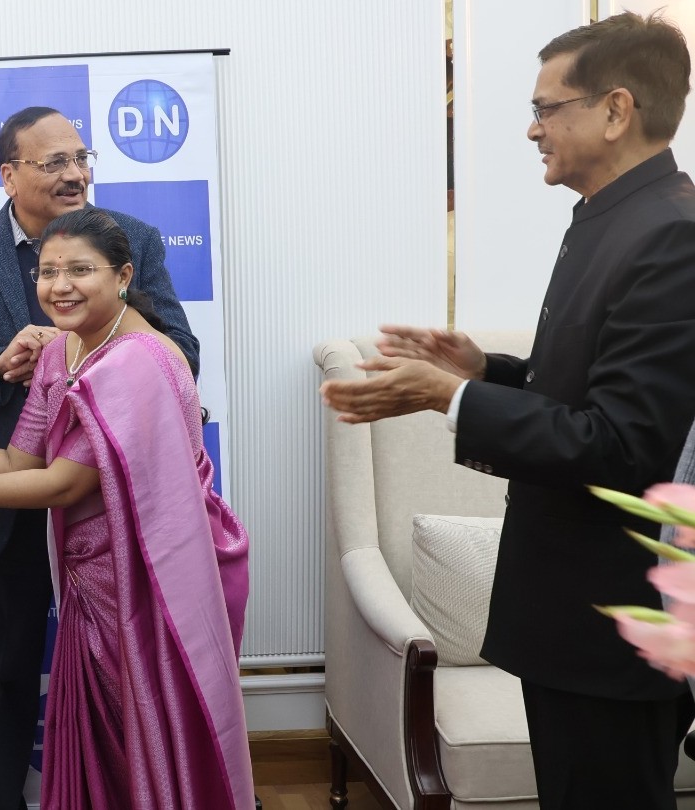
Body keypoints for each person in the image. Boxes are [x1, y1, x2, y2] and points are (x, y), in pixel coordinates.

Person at [320, 12, 695, 809]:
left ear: (616, 110)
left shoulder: (671, 237)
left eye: (546, 109)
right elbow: (589, 392)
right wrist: (484, 370)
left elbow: (622, 446)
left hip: (612, 628)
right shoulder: (614, 217)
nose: (532, 130)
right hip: (570, 619)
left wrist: (448, 397)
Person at [0, 105, 200, 809]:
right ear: (10, 175)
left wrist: (93, 358)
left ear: (117, 272)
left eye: (81, 158)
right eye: (55, 162)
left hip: (116, 513)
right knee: (4, 672)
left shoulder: (132, 239)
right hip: (9, 499)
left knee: (126, 677)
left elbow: (181, 355)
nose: (76, 174)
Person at [0, 207, 252, 809]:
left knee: (147, 750)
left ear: (124, 275)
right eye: (48, 271)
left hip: (155, 580)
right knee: (104, 751)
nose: (60, 286)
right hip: (91, 583)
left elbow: (62, 485)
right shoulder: (61, 351)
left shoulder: (140, 359)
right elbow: (19, 459)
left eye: (80, 270)